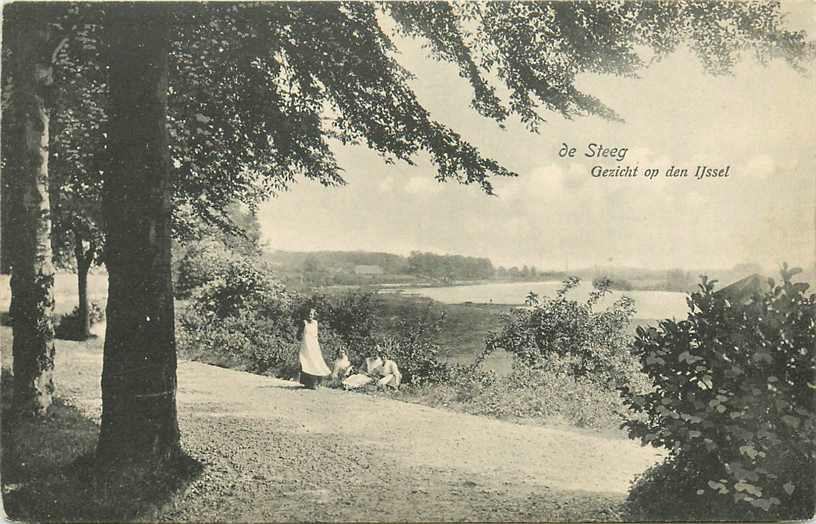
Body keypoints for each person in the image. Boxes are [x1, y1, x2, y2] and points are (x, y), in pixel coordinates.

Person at [298, 308, 331, 389]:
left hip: (314, 345)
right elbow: (298, 334)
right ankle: (308, 383)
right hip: (306, 346)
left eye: (312, 314)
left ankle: (316, 382)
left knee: (316, 362)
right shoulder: (304, 322)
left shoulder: (316, 323)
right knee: (307, 362)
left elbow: (316, 334)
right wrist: (303, 338)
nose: (310, 316)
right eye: (309, 314)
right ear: (306, 315)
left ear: (314, 315)